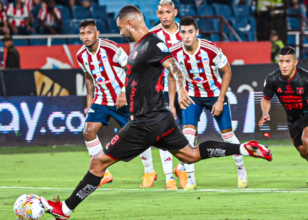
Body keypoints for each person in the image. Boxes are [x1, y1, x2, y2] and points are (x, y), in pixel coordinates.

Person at [39, 6, 272, 219]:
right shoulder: (140, 48)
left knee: (97, 165)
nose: (120, 33)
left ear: (130, 24)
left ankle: (65, 210)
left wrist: (181, 89)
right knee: (189, 155)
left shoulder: (152, 44)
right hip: (160, 119)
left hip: (145, 122)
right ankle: (244, 148)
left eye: (121, 28)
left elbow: (174, 66)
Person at [170, 16, 248, 190]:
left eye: (190, 32)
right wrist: (179, 93)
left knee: (228, 136)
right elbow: (171, 74)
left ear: (197, 33)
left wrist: (221, 99)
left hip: (214, 95)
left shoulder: (210, 49)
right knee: (188, 137)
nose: (187, 36)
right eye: (183, 32)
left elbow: (227, 71)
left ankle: (241, 170)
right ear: (179, 34)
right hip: (192, 96)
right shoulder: (174, 51)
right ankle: (191, 179)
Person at [260, 46, 308, 188]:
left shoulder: (307, 78)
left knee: (307, 138)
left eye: (288, 61)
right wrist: (265, 113)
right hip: (293, 120)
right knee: (304, 152)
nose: (284, 65)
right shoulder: (272, 79)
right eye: (281, 61)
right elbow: (266, 99)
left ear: (295, 62)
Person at [76, 19, 129, 188]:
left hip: (122, 99)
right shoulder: (80, 55)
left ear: (97, 33)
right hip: (102, 99)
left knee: (140, 134)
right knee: (88, 131)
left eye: (89, 33)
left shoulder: (111, 48)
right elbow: (89, 80)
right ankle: (103, 173)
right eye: (83, 33)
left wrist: (123, 92)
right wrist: (90, 103)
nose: (86, 36)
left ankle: (150, 171)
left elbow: (131, 68)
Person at [138, 0, 184, 190]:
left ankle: (181, 168)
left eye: (168, 12)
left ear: (175, 12)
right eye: (161, 13)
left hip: (186, 88)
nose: (165, 16)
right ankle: (165, 176)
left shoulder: (186, 31)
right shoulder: (153, 35)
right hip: (160, 90)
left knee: (191, 132)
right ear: (157, 15)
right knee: (156, 130)